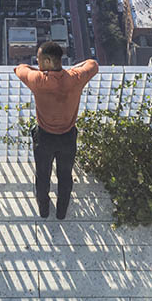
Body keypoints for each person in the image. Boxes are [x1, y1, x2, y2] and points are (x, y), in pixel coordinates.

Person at [14, 41, 98, 219]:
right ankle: (61, 212)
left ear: (48, 62)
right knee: (65, 174)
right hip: (67, 136)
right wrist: (71, 69)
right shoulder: (75, 78)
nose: (37, 62)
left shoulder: (37, 80)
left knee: (42, 174)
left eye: (38, 59)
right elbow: (93, 64)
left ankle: (43, 209)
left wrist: (38, 72)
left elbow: (19, 68)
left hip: (44, 136)